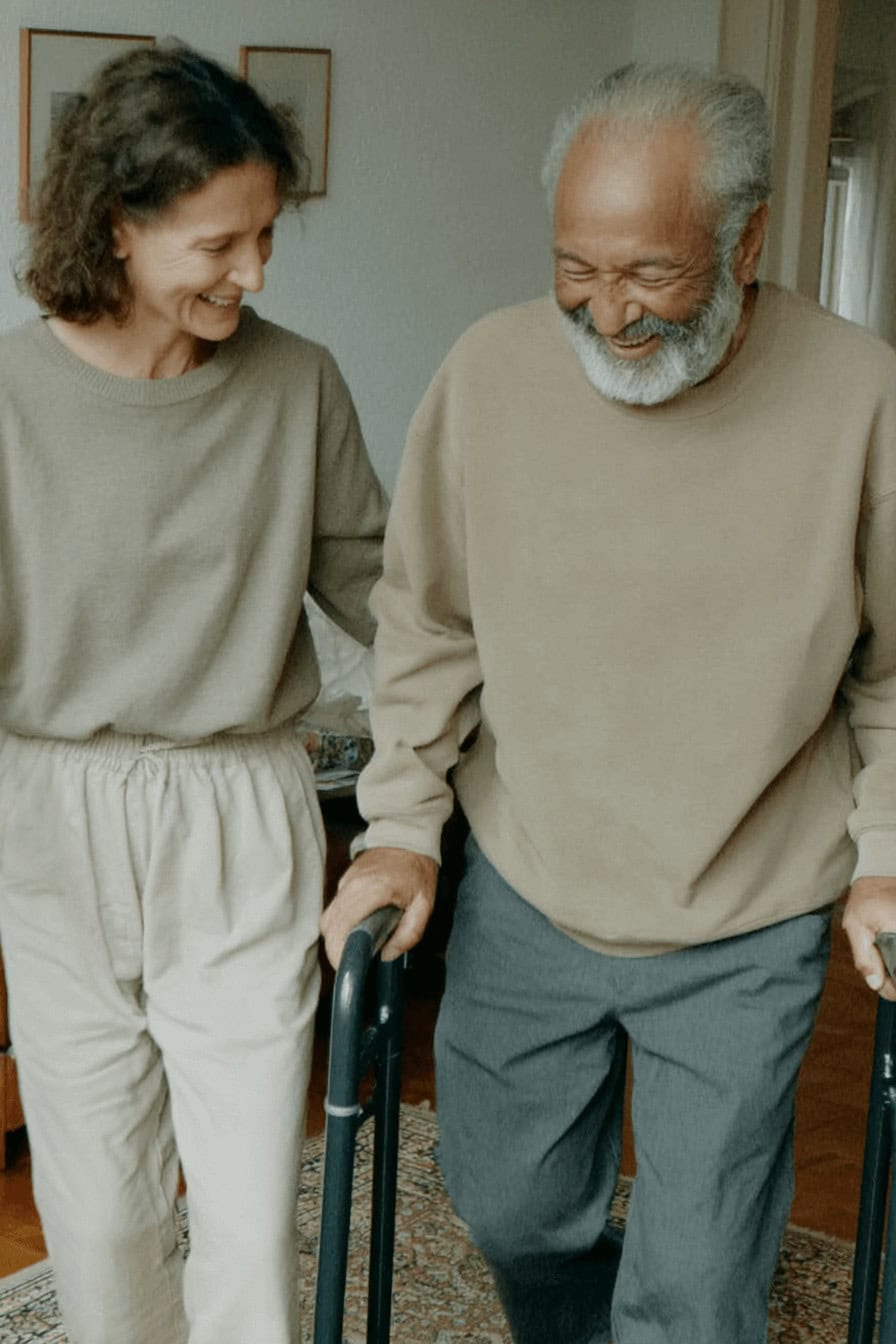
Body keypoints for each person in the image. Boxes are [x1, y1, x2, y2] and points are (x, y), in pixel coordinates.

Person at [321, 62, 896, 1344]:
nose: (607, 312)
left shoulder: (861, 397)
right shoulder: (487, 372)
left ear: (746, 238)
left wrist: (886, 857)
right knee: (510, 1206)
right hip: (532, 881)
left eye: (649, 273)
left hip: (744, 912)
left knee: (697, 1291)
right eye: (574, 267)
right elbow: (426, 623)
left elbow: (893, 671)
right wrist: (401, 827)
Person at [0, 41, 388, 1344]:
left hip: (240, 812)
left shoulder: (297, 383)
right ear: (117, 223)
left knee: (241, 1212)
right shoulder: (7, 398)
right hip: (55, 813)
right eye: (221, 242)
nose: (257, 272)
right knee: (101, 1217)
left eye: (268, 235)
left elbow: (392, 600)